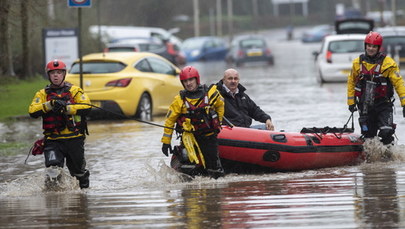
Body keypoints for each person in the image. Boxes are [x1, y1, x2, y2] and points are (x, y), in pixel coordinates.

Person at [29, 59, 92, 189]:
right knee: (53, 170)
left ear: (64, 74)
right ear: (49, 75)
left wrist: (68, 108)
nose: (56, 75)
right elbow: (32, 111)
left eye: (59, 72)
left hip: (74, 139)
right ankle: (54, 200)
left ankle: (84, 197)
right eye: (53, 73)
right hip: (53, 140)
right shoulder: (42, 94)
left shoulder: (75, 90)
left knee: (78, 173)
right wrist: (50, 105)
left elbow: (87, 107)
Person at [161, 66, 225, 179]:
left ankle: (214, 191)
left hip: (209, 136)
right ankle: (189, 191)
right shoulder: (179, 100)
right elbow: (169, 121)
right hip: (189, 138)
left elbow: (220, 106)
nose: (188, 83)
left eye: (191, 80)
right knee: (187, 167)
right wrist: (166, 142)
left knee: (214, 167)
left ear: (197, 79)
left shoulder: (210, 94)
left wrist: (218, 123)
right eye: (185, 81)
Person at [347, 31, 405, 145]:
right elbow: (351, 82)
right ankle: (372, 158)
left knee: (386, 132)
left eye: (374, 46)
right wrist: (351, 102)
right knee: (369, 137)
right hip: (365, 107)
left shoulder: (388, 63)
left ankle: (390, 158)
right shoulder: (357, 63)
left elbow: (399, 83)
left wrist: (404, 103)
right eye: (369, 46)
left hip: (383, 105)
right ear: (365, 46)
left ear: (379, 47)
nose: (371, 49)